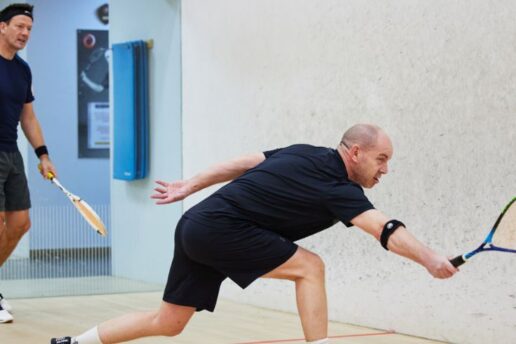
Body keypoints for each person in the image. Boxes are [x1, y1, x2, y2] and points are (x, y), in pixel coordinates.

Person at [51, 124, 457, 344]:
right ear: (355, 153)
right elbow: (383, 229)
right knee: (310, 267)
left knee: (169, 322)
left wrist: (190, 185)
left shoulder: (303, 151)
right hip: (220, 229)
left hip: (197, 222)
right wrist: (430, 258)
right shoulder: (339, 187)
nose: (384, 169)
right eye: (381, 159)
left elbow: (245, 162)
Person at [0, 3, 57, 323]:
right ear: (2, 27)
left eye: (29, 29)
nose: (25, 33)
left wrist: (43, 155)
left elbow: (29, 116)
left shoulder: (22, 69)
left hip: (12, 153)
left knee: (21, 224)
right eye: (20, 26)